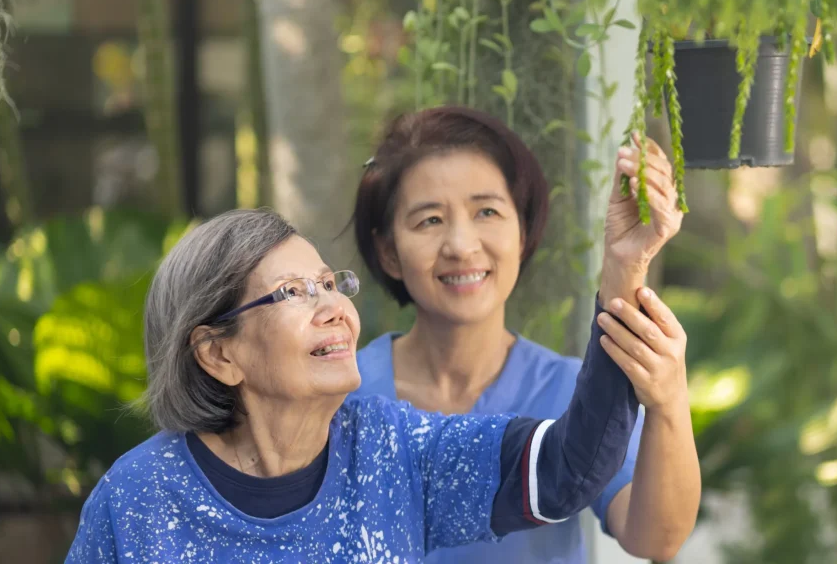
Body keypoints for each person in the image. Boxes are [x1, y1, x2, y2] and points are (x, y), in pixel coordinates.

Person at [63, 163, 685, 563]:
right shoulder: (138, 498)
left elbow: (570, 469)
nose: (333, 305)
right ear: (219, 353)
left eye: (330, 283)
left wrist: (625, 271)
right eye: (292, 293)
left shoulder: (394, 448)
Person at [352, 106, 701, 563]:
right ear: (389, 251)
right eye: (430, 220)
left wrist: (669, 401)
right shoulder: (344, 394)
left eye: (487, 212)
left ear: (523, 230)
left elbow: (656, 539)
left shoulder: (572, 393)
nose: (461, 245)